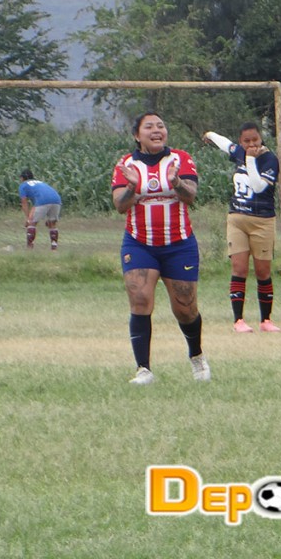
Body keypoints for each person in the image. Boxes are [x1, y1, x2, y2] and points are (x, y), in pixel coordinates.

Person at [111, 112, 210, 385]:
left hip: (179, 244)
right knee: (140, 299)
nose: (157, 130)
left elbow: (191, 196)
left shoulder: (181, 159)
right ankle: (144, 369)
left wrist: (176, 182)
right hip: (139, 243)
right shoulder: (126, 164)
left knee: (185, 308)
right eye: (149, 127)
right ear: (137, 135)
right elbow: (120, 205)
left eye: (161, 126)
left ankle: (197, 357)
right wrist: (132, 186)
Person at [203, 123, 281, 333]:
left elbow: (258, 186)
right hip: (237, 218)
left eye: (255, 139)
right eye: (246, 141)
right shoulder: (239, 152)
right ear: (241, 141)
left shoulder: (269, 159)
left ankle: (266, 320)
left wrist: (250, 159)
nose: (251, 144)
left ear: (261, 138)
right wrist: (211, 134)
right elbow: (226, 145)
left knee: (263, 271)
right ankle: (238, 320)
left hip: (262, 220)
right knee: (239, 268)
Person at [18, 169, 62, 250]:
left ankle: (29, 248)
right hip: (57, 199)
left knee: (32, 223)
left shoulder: (23, 185)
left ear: (22, 178)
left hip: (43, 200)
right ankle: (54, 248)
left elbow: (24, 202)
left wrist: (28, 218)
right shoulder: (40, 182)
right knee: (52, 223)